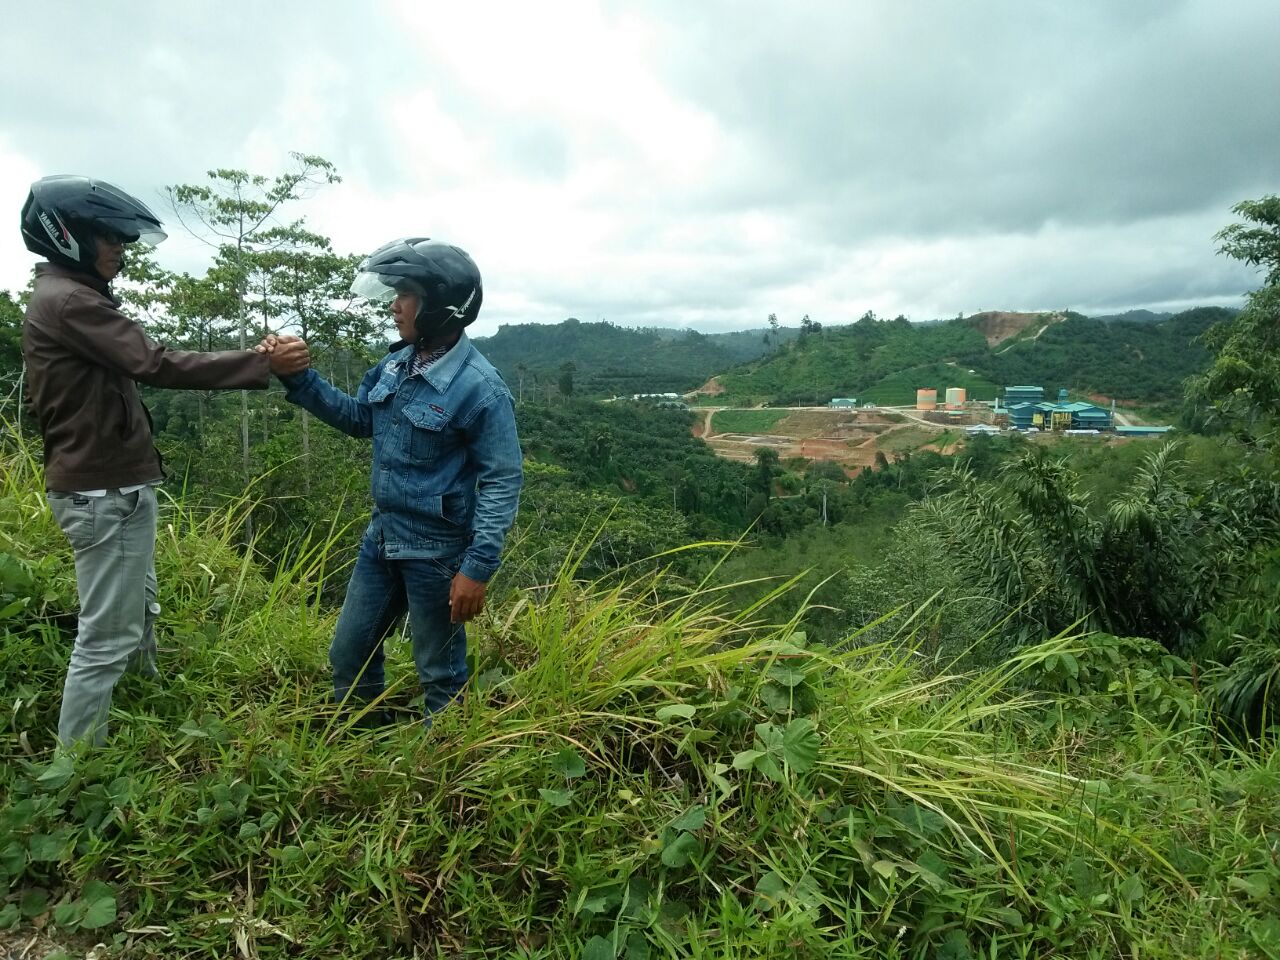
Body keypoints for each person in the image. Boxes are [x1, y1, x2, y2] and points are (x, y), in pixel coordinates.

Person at [20, 175, 311, 748]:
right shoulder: (73, 301)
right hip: (105, 492)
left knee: (138, 607)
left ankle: (142, 703)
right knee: (106, 636)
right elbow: (156, 363)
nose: (121, 251)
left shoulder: (65, 297)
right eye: (112, 239)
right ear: (70, 236)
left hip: (108, 486)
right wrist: (259, 363)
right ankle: (78, 766)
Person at [272, 237, 523, 728]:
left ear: (441, 305)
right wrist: (300, 379)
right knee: (350, 655)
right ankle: (365, 744)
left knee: (440, 673)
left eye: (406, 293)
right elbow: (360, 419)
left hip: (437, 551)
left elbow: (502, 481)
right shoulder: (396, 363)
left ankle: (444, 777)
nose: (394, 304)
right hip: (382, 538)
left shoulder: (480, 387)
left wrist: (477, 568)